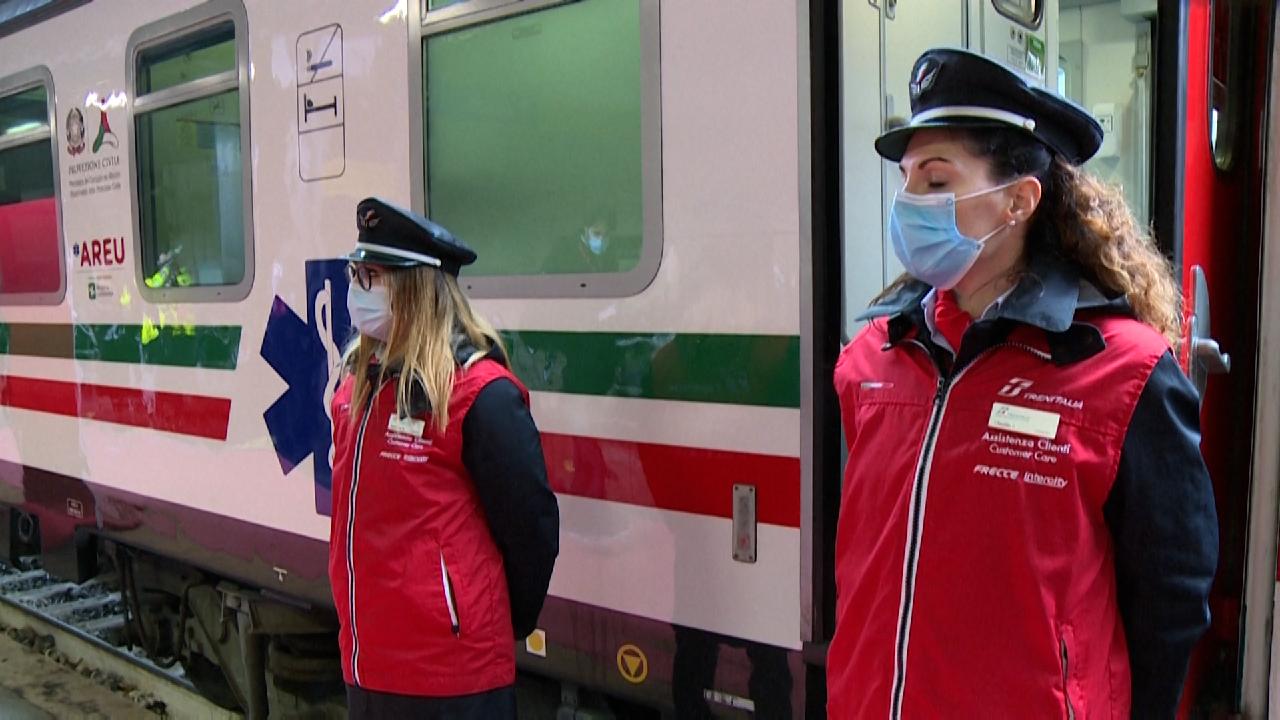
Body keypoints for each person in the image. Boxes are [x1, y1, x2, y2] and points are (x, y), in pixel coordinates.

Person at [828, 48, 1218, 719]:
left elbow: (1170, 599)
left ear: (1018, 200)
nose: (910, 201)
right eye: (908, 178)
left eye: (936, 178)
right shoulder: (872, 359)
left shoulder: (1126, 373)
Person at [328, 197, 560, 719]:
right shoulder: (358, 387)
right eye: (355, 274)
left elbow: (532, 529)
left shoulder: (481, 395)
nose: (356, 291)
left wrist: (480, 619)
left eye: (372, 277)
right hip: (368, 662)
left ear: (415, 289)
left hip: (453, 676)